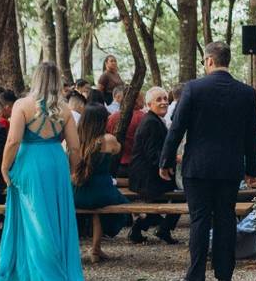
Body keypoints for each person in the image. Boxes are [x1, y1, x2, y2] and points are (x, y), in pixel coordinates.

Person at [160, 42, 256, 281]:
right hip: (230, 167)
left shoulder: (194, 89)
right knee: (226, 218)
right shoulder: (246, 93)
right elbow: (253, 134)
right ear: (227, 61)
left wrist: (166, 160)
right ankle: (224, 277)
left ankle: (196, 277)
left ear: (208, 61)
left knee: (200, 219)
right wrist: (252, 169)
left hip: (199, 167)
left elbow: (176, 129)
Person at [0, 62, 90, 281]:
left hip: (30, 162)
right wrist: (72, 169)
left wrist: (5, 167)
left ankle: (41, 276)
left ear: (36, 79)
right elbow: (75, 147)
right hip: (55, 163)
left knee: (33, 217)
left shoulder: (22, 105)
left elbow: (13, 141)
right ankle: (59, 271)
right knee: (56, 217)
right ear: (58, 81)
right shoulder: (65, 110)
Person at [72, 104, 130, 263]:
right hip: (101, 192)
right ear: (103, 121)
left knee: (95, 206)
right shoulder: (109, 140)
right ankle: (96, 250)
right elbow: (118, 149)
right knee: (102, 206)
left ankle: (79, 250)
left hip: (77, 192)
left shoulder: (73, 140)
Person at [129, 86, 179, 244]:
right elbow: (153, 155)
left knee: (176, 195)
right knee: (182, 194)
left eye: (165, 98)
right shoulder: (151, 122)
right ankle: (163, 228)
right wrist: (175, 159)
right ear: (149, 104)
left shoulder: (155, 120)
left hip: (149, 175)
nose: (164, 102)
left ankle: (146, 229)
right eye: (159, 100)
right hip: (147, 178)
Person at [106, 90, 146, 178]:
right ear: (137, 100)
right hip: (137, 167)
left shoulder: (112, 118)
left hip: (116, 166)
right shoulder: (144, 118)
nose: (144, 101)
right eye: (142, 98)